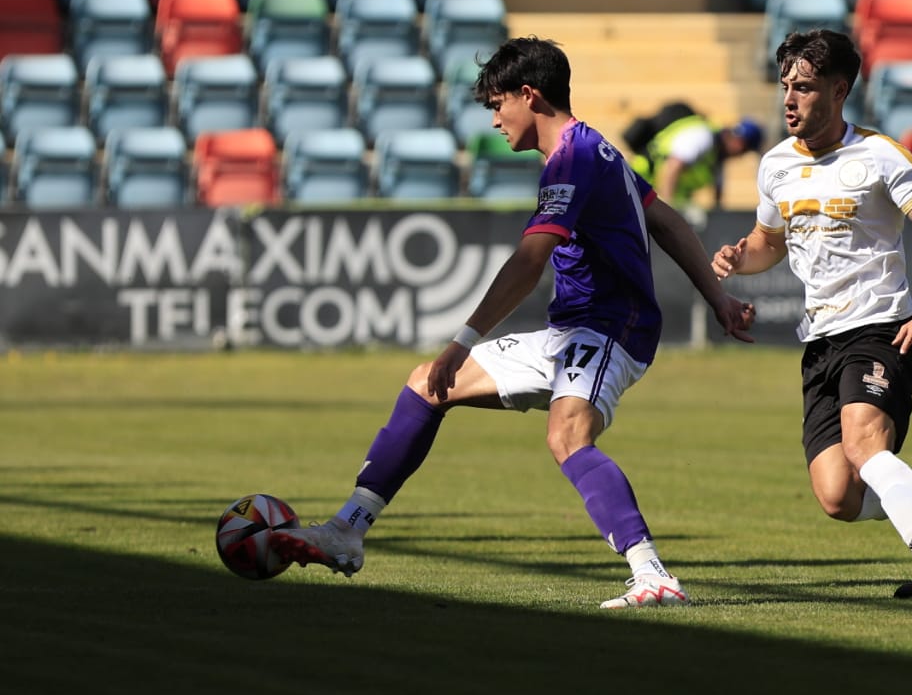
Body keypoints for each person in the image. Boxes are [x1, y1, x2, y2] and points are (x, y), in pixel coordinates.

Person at [271, 36, 756, 608]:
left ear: (529, 95)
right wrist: (718, 300)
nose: (495, 120)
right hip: (569, 332)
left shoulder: (574, 159)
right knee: (428, 383)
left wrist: (463, 340)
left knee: (567, 435)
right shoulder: (593, 151)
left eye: (498, 104)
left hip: (609, 329)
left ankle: (653, 575)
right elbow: (669, 223)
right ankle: (348, 529)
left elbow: (530, 261)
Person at [711, 28, 912, 600]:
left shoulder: (879, 154)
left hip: (880, 329)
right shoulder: (776, 164)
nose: (789, 100)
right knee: (838, 497)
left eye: (803, 87)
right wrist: (737, 256)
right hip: (820, 341)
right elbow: (768, 241)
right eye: (785, 86)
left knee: (864, 447)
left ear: (838, 90)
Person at [624, 103, 764, 209]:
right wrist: (667, 211)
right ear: (739, 144)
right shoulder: (703, 138)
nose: (739, 156)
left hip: (649, 194)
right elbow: (671, 168)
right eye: (744, 151)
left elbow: (718, 198)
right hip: (637, 184)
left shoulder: (717, 156)